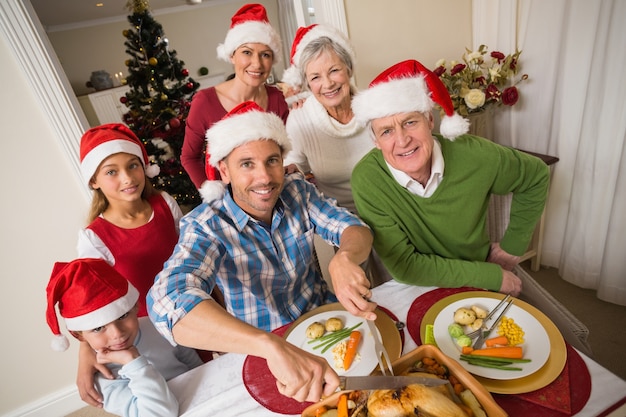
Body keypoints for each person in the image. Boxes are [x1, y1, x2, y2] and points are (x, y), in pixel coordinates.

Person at [148, 101, 376, 403]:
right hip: (260, 349)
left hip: (326, 320)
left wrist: (344, 257)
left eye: (272, 161)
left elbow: (353, 228)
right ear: (224, 171)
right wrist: (268, 345)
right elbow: (167, 300)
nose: (265, 177)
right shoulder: (206, 225)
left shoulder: (299, 191)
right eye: (247, 164)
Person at [351, 59, 550, 297]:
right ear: (375, 141)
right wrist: (490, 275)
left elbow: (535, 175)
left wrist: (514, 245)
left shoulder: (474, 154)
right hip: (416, 284)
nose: (402, 140)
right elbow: (405, 266)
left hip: (475, 277)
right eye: (387, 131)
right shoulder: (368, 179)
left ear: (430, 121)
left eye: (410, 122)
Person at [75, 123, 184, 408]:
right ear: (94, 180)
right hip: (146, 332)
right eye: (111, 171)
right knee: (168, 397)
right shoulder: (94, 237)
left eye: (133, 165)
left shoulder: (164, 203)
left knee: (202, 377)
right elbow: (92, 303)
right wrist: (85, 352)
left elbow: (189, 255)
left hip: (189, 310)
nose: (127, 178)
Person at [46, 258, 203, 417]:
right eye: (98, 328)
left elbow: (196, 366)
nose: (117, 334)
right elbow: (160, 414)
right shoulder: (102, 375)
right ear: (79, 336)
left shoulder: (158, 326)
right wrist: (133, 362)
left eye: (123, 316)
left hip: (200, 397)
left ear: (135, 306)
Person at [181, 3, 289, 189]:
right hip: (226, 196)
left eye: (265, 55)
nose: (256, 64)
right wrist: (213, 192)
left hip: (267, 190)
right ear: (232, 55)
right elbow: (189, 157)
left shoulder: (278, 99)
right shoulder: (205, 102)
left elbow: (282, 151)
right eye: (247, 52)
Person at [281, 24, 373, 214]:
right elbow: (293, 167)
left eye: (334, 70)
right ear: (307, 84)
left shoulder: (374, 107)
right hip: (343, 217)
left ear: (348, 69)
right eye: (315, 77)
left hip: (389, 205)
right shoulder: (300, 119)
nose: (328, 84)